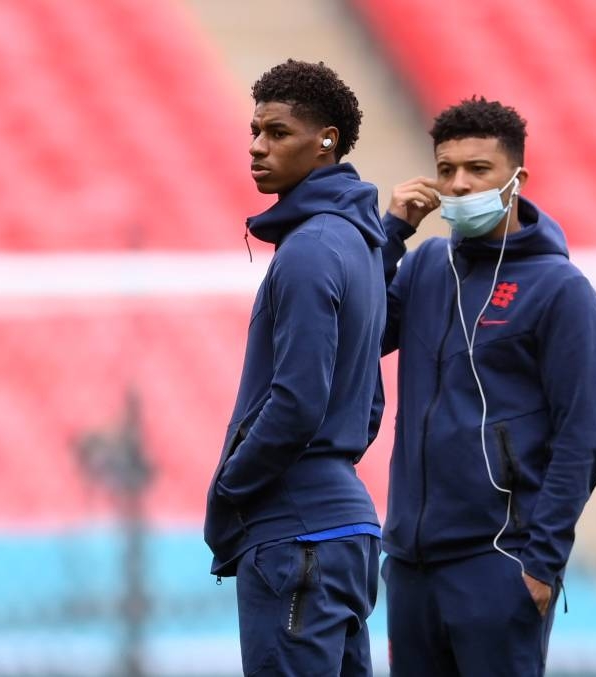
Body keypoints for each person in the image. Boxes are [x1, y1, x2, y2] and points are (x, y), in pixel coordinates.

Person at [378, 97, 596, 676]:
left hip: (498, 564)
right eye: (447, 170)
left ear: (516, 179)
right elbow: (360, 336)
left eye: (478, 170)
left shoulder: (560, 290)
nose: (459, 185)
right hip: (409, 565)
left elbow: (580, 437)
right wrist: (389, 237)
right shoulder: (428, 265)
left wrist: (540, 563)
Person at [204, 60, 386, 676]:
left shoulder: (309, 249)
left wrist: (232, 483)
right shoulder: (357, 244)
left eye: (278, 133)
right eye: (254, 131)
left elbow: (298, 401)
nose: (257, 147)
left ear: (326, 140)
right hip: (346, 531)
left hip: (297, 532)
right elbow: (369, 398)